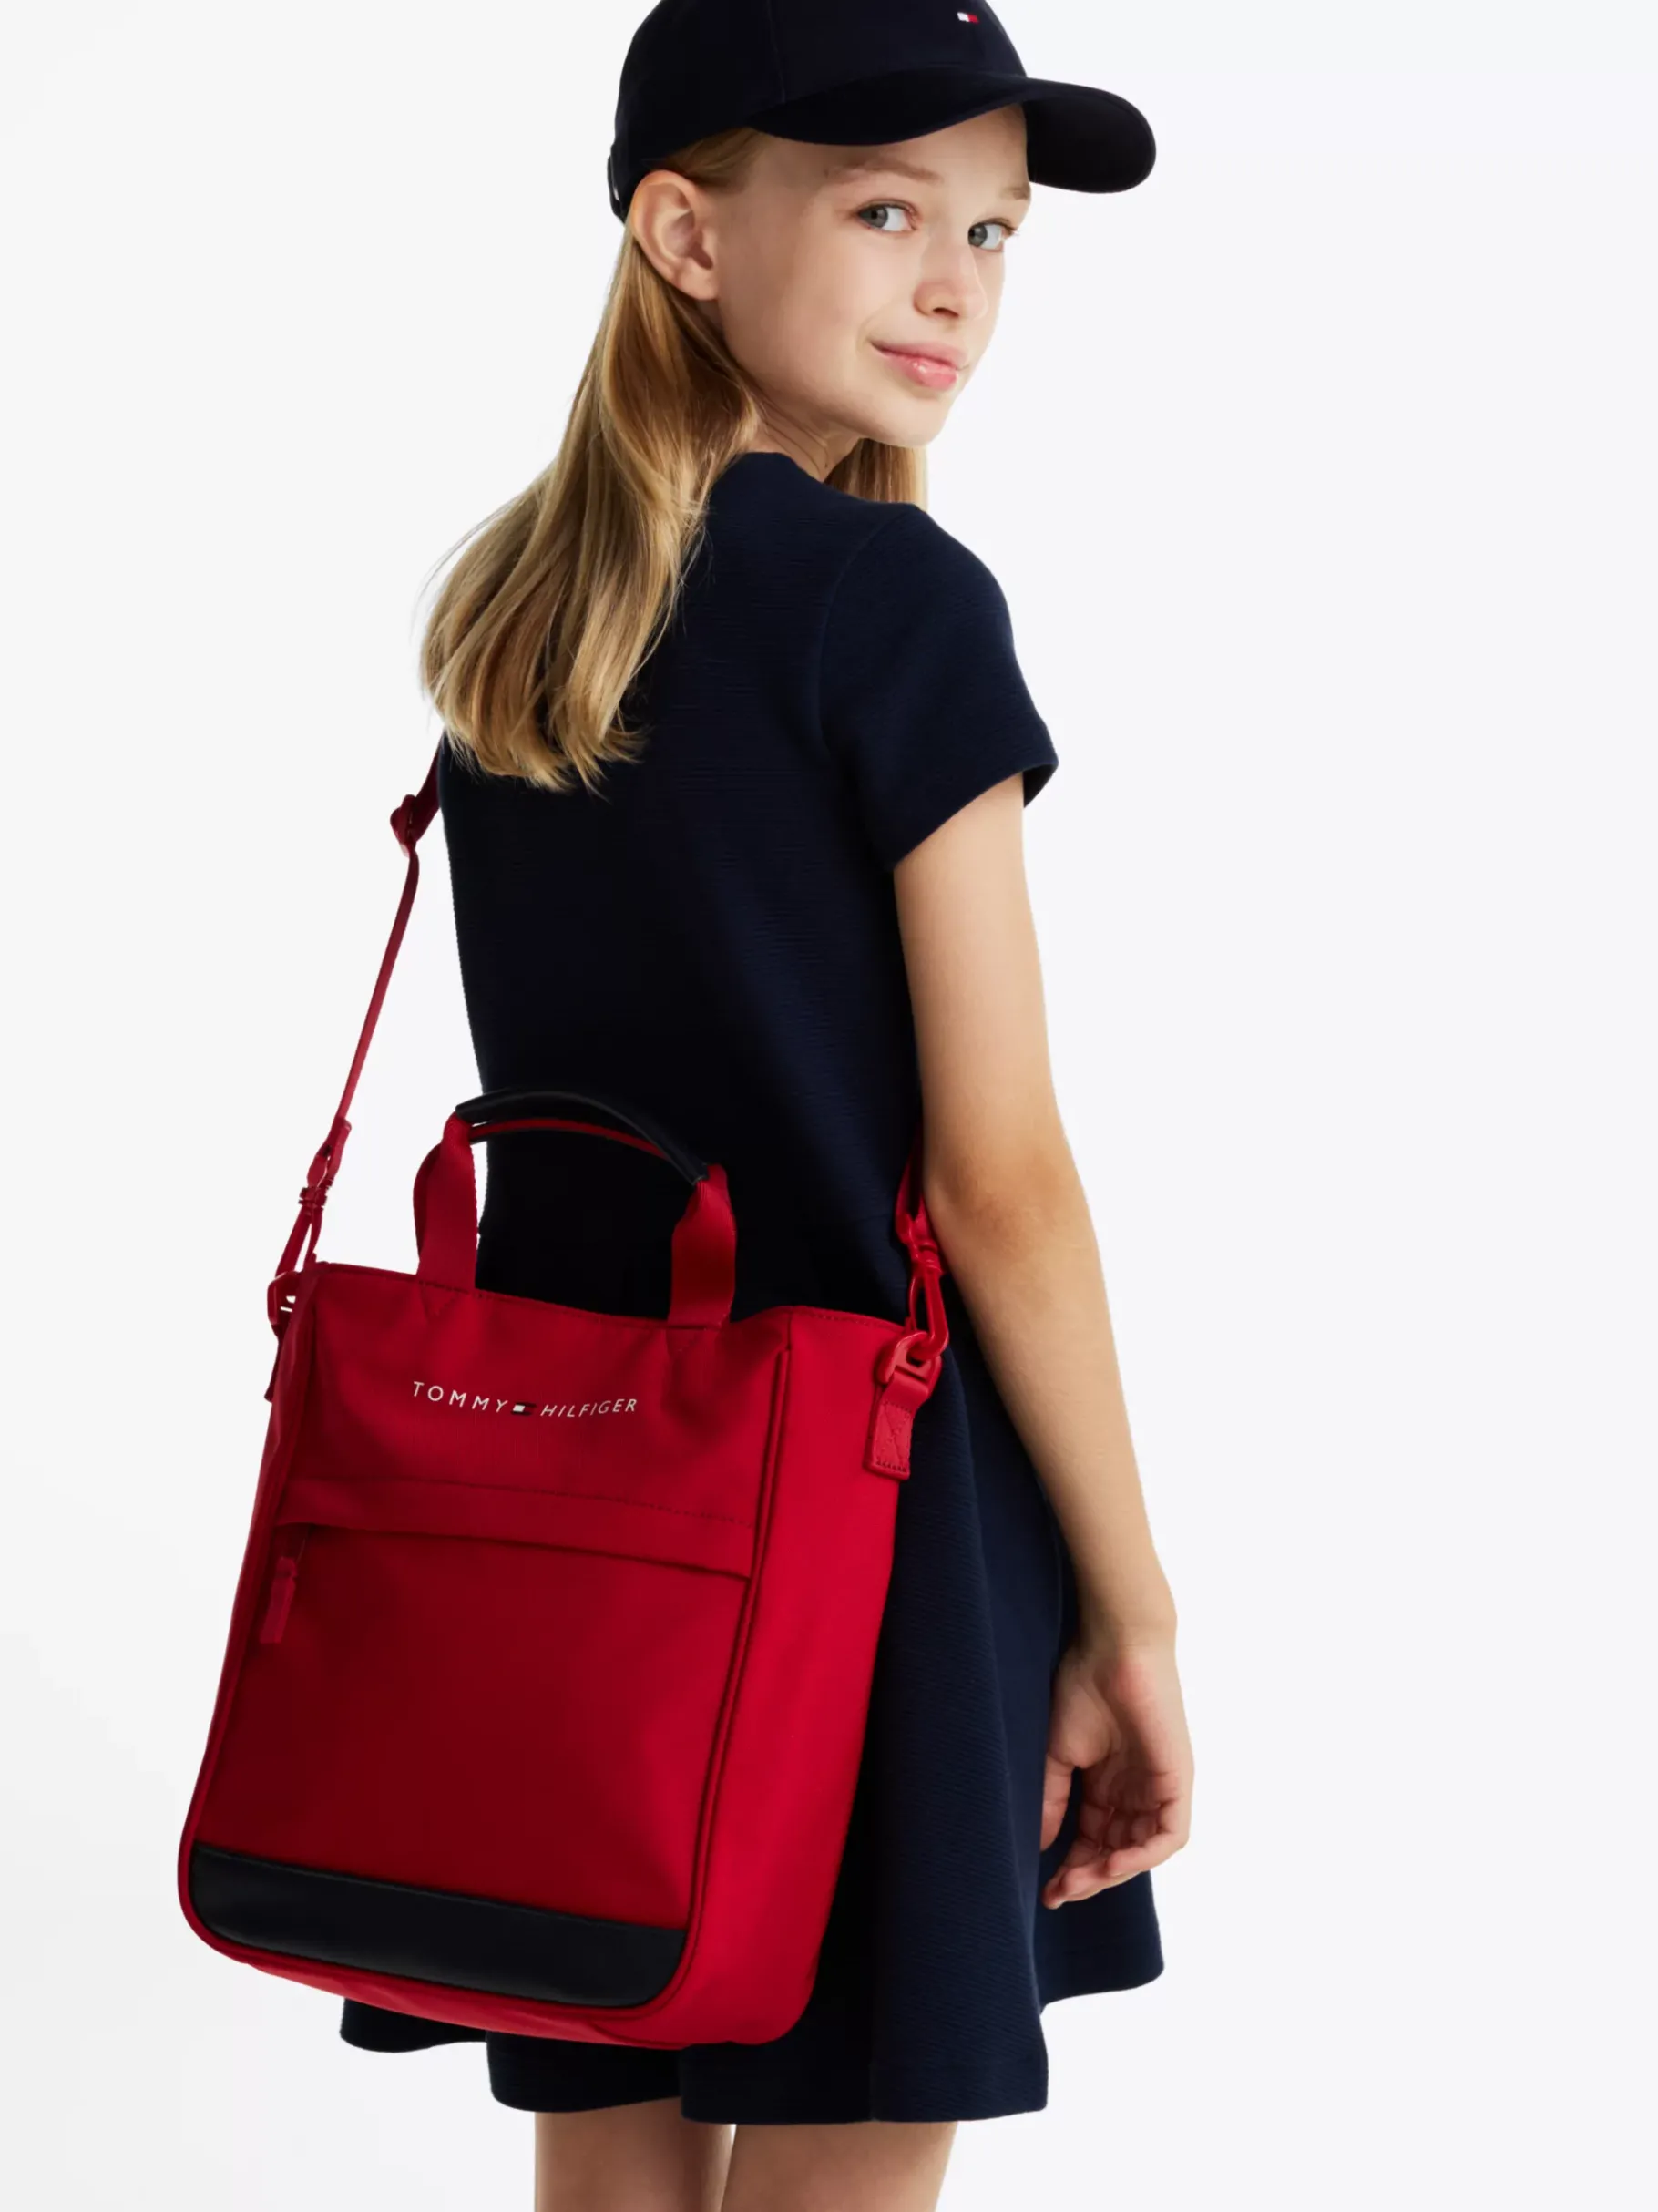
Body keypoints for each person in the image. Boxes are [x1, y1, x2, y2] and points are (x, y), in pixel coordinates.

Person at [339, 3, 1194, 2205]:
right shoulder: (892, 605)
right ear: (686, 230)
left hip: (569, 1495)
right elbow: (997, 1178)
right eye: (890, 210)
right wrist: (1133, 1611)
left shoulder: (518, 617)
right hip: (871, 1509)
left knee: (611, 2141)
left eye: (994, 233)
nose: (956, 285)